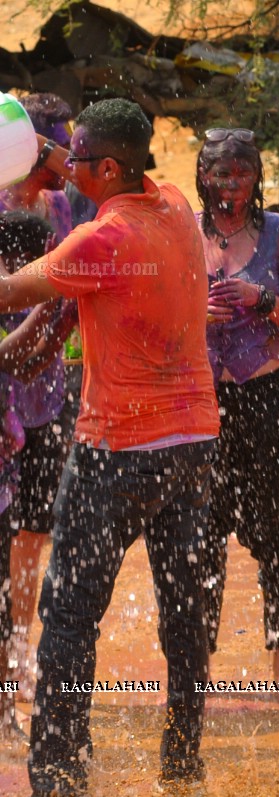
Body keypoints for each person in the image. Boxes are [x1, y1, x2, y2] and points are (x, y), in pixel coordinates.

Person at [0, 98, 219, 795]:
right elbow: (91, 166)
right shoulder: (176, 206)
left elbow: (10, 291)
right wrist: (41, 145)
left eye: (79, 156)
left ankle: (59, 776)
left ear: (110, 166)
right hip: (193, 443)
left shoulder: (102, 242)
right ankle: (183, 759)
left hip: (117, 449)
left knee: (69, 616)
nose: (67, 165)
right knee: (185, 611)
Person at [195, 128, 279, 686]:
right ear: (204, 177)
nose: (232, 184)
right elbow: (163, 311)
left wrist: (261, 300)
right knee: (198, 528)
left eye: (243, 173)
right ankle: (197, 663)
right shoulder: (182, 232)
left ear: (256, 177)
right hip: (200, 399)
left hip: (265, 394)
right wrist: (199, 314)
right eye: (222, 173)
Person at [1, 94, 80, 697]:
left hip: (48, 393)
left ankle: (17, 652)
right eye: (58, 142)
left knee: (33, 531)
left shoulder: (62, 208)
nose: (68, 154)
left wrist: (51, 350)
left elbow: (77, 289)